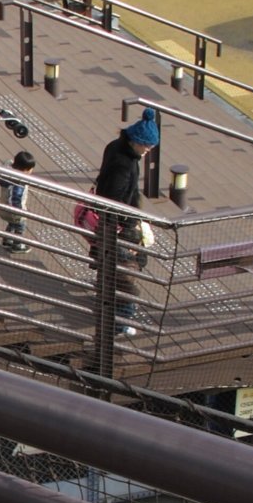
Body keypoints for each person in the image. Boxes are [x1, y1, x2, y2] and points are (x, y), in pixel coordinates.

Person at [91, 108, 157, 335]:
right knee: (126, 275)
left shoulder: (114, 147)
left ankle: (104, 301)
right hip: (118, 224)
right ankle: (120, 322)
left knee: (109, 265)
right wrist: (131, 224)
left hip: (107, 219)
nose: (148, 150)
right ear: (136, 141)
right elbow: (117, 197)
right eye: (147, 146)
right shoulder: (125, 164)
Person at [0, 150, 36, 253]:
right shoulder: (18, 183)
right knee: (20, 227)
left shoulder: (7, 172)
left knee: (11, 224)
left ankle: (7, 240)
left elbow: (8, 162)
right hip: (15, 211)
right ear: (25, 170)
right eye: (30, 169)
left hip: (4, 207)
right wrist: (21, 211)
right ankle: (17, 245)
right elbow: (16, 199)